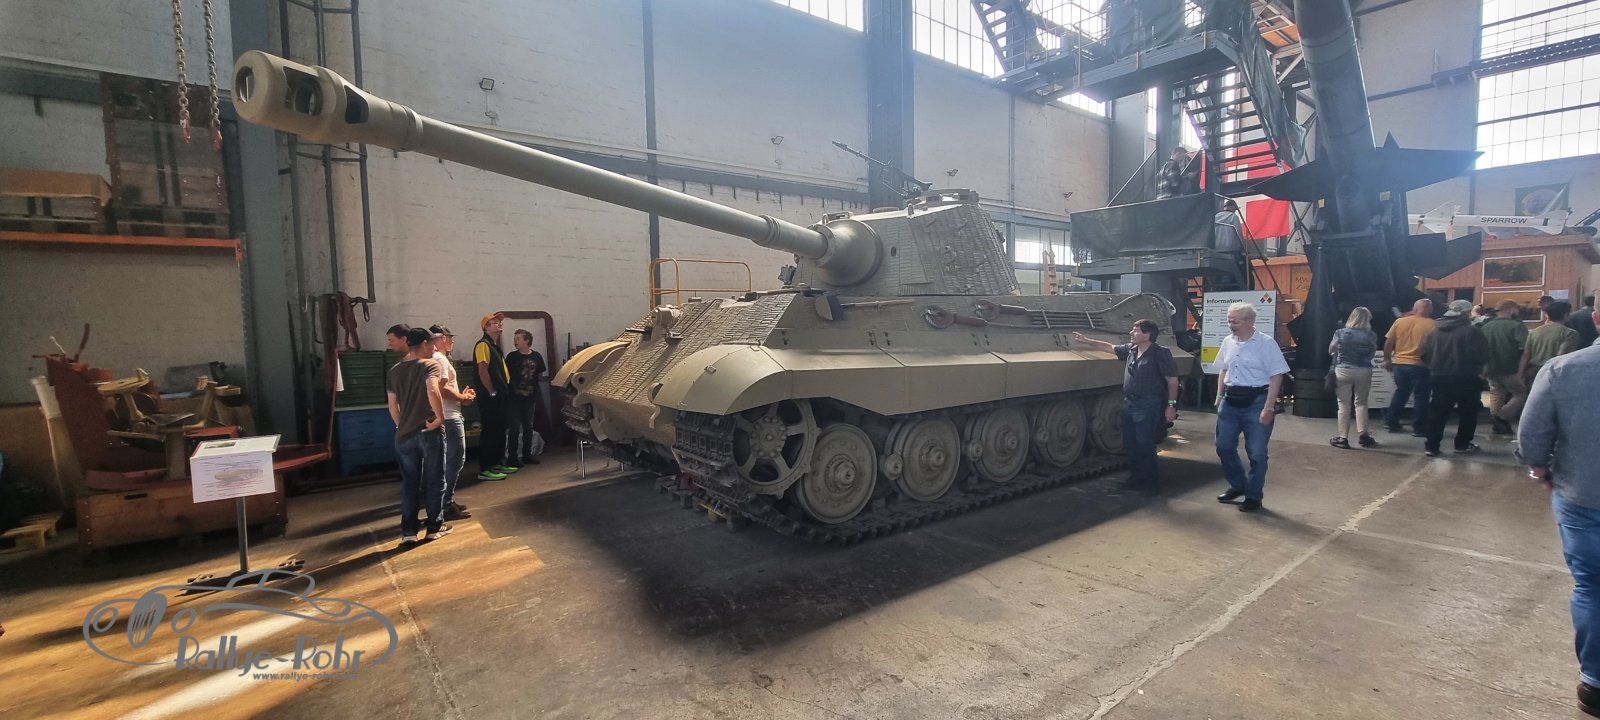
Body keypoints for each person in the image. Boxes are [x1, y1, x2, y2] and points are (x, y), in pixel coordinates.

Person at [1515, 342, 1600, 716]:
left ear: (1596, 318)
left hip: (1583, 496)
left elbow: (1532, 433)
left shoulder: (1563, 369)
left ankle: (1595, 683)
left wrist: (1538, 467)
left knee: (1592, 586)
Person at [1072, 319, 1179, 495]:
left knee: (1145, 444)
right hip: (1130, 403)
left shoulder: (1160, 353)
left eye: (1136, 330)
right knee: (1131, 444)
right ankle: (1137, 478)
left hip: (1148, 404)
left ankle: (1152, 483)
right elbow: (1110, 347)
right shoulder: (1131, 349)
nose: (1131, 333)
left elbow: (1172, 381)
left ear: (1148, 335)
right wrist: (1088, 341)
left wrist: (1171, 406)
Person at [1213, 301, 1290, 512]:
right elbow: (1223, 369)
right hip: (1230, 400)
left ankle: (1254, 495)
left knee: (1256, 453)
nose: (1231, 325)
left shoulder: (1266, 344)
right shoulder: (1228, 342)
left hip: (1257, 401)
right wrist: (1219, 395)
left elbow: (1276, 376)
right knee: (1223, 446)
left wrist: (1269, 407)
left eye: (1235, 321)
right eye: (1229, 321)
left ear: (1249, 321)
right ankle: (1238, 485)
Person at [387, 327, 449, 545]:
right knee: (434, 480)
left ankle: (409, 533)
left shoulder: (394, 371)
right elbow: (432, 390)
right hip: (428, 432)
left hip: (404, 436)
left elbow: (392, 405)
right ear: (424, 343)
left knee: (409, 484)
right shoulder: (429, 365)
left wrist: (401, 425)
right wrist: (440, 418)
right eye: (431, 344)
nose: (434, 348)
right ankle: (434, 527)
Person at [1418, 300, 1490, 457]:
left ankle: (1431, 446)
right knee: (1468, 413)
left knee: (1437, 413)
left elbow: (1423, 354)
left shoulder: (1433, 331)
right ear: (1465, 313)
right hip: (1466, 378)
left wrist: (1434, 366)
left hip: (1438, 377)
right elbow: (1483, 354)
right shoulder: (1471, 332)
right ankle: (1462, 444)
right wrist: (1476, 369)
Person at [430, 324, 483, 519]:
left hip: (446, 414)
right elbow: (442, 389)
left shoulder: (433, 359)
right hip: (450, 417)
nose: (452, 341)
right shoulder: (439, 359)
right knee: (455, 460)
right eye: (450, 338)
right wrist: (462, 397)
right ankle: (445, 505)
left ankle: (446, 501)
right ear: (442, 338)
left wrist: (461, 396)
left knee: (447, 461)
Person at [473, 312, 519, 480]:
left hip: (499, 395)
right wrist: (491, 391)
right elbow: (482, 370)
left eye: (499, 322)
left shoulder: (493, 346)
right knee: (491, 431)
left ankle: (497, 462)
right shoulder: (482, 345)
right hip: (490, 397)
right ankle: (486, 468)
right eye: (494, 322)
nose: (498, 324)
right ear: (486, 328)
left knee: (499, 430)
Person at [1328, 306, 1379, 449]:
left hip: (1343, 370)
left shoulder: (1340, 333)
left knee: (1343, 404)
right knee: (1361, 402)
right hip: (1364, 370)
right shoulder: (1371, 335)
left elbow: (1331, 350)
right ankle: (1364, 436)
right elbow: (1371, 354)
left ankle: (1343, 438)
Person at [1383, 298, 1436, 437]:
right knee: (1421, 396)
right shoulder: (1433, 325)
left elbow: (1388, 343)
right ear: (1429, 309)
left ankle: (1391, 421)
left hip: (1399, 364)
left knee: (1401, 392)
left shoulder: (1399, 322)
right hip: (1420, 365)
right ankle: (1419, 428)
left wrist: (1387, 359)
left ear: (1415, 309)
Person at [1481, 299, 1530, 435]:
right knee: (1521, 395)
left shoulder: (1486, 327)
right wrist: (1522, 371)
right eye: (1517, 309)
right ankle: (1501, 416)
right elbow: (1526, 349)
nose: (1518, 312)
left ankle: (1497, 423)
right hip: (1511, 368)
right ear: (1511, 309)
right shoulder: (1516, 326)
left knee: (1496, 394)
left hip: (1490, 368)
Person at [504, 328, 548, 466]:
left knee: (528, 427)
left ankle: (527, 455)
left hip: (530, 398)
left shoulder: (537, 356)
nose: (515, 341)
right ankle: (512, 457)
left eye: (518, 338)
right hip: (514, 398)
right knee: (515, 428)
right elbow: (505, 374)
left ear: (527, 341)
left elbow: (540, 374)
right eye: (514, 338)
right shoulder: (511, 357)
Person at [1523, 300, 1580, 388]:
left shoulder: (1534, 331)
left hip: (1533, 372)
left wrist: (1520, 374)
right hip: (1552, 373)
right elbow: (1561, 356)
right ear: (1566, 315)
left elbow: (1526, 354)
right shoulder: (1570, 333)